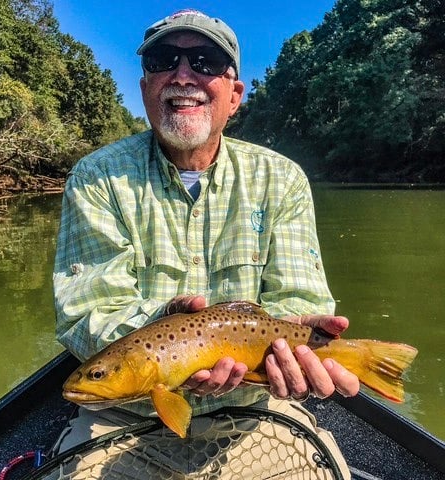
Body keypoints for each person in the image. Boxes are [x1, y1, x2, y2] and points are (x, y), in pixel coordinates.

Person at [52, 8, 359, 479]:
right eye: (163, 60)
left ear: (235, 96)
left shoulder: (282, 179)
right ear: (144, 88)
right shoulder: (97, 177)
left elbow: (300, 299)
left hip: (259, 412)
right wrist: (162, 322)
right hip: (122, 419)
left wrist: (297, 344)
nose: (183, 75)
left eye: (206, 61)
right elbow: (87, 312)